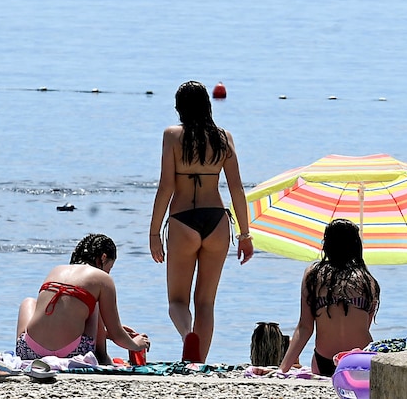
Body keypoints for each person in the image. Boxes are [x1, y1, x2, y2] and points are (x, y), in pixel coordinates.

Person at [149, 80, 254, 363]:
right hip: (217, 220)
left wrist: (154, 233)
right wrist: (245, 235)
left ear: (179, 108)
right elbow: (237, 189)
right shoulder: (224, 138)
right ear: (208, 105)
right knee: (205, 302)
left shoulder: (172, 136)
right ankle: (198, 364)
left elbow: (166, 187)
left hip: (183, 220)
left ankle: (186, 336)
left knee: (177, 301)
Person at [16, 234, 150, 363]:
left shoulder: (57, 269)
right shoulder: (103, 278)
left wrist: (105, 332)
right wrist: (136, 345)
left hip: (28, 352)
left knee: (29, 302)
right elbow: (117, 335)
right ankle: (102, 357)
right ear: (103, 258)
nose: (108, 272)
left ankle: (26, 344)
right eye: (110, 268)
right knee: (94, 303)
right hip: (73, 353)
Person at [279, 218, 381, 376]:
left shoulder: (313, 274)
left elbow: (305, 327)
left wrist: (283, 369)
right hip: (361, 361)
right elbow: (363, 326)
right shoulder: (368, 280)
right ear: (356, 245)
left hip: (324, 361)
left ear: (326, 244)